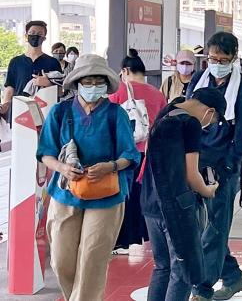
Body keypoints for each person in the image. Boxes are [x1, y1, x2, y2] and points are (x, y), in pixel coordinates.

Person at [37, 54, 140, 301]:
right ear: (77, 83)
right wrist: (62, 168)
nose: (94, 87)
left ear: (106, 84)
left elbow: (130, 155)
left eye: (98, 82)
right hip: (65, 193)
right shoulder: (60, 112)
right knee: (61, 259)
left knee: (92, 258)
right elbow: (45, 153)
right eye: (88, 82)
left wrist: (110, 166)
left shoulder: (115, 114)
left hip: (107, 195)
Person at [185, 32, 242, 301]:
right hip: (196, 161)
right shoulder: (198, 80)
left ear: (234, 58)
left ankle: (202, 290)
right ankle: (233, 276)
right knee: (202, 228)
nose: (216, 64)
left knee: (214, 228)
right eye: (212, 58)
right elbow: (188, 114)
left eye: (222, 60)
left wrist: (228, 165)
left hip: (223, 167)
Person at [140, 88, 225, 301]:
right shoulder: (190, 124)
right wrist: (208, 190)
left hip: (150, 202)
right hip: (176, 207)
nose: (209, 125)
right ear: (210, 111)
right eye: (213, 121)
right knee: (183, 270)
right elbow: (192, 175)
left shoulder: (166, 113)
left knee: (162, 266)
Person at [108, 49, 167, 254]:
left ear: (125, 71)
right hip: (150, 153)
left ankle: (122, 240)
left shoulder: (118, 92)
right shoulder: (157, 94)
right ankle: (147, 234)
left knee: (124, 196)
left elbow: (108, 120)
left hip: (125, 153)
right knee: (145, 196)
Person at [1, 20, 61, 115]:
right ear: (26, 36)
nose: (35, 36)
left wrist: (49, 83)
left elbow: (61, 91)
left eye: (39, 34)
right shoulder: (15, 62)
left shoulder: (53, 62)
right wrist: (5, 106)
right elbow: (10, 88)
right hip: (19, 111)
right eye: (32, 33)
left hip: (45, 111)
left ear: (44, 38)